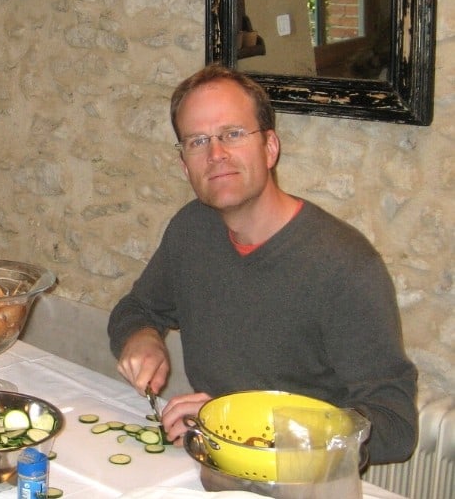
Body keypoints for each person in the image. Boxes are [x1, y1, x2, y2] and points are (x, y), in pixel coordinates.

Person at [107, 64, 417, 464]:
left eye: (233, 134)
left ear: (270, 147)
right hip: (214, 467)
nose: (216, 154)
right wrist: (141, 337)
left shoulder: (344, 264)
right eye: (197, 141)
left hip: (304, 482)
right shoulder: (192, 229)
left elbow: (395, 426)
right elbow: (136, 310)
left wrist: (239, 426)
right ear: (185, 165)